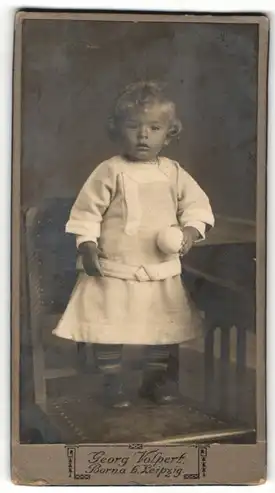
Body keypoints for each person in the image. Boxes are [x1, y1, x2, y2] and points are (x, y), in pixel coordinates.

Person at [53, 81, 215, 408]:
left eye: (154, 128)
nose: (143, 135)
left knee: (162, 329)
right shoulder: (109, 171)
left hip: (158, 270)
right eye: (133, 127)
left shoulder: (173, 173)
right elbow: (86, 212)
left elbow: (198, 206)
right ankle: (111, 382)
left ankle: (154, 382)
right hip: (115, 267)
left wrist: (190, 232)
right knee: (110, 327)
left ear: (169, 133)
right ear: (116, 130)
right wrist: (87, 246)